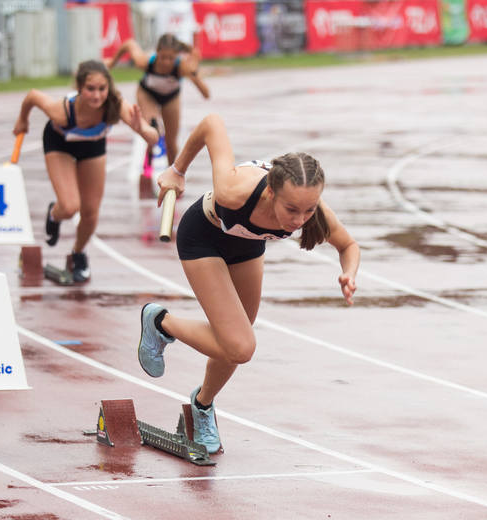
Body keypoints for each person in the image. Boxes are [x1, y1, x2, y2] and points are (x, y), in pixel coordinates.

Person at [137, 114, 360, 453]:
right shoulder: (234, 189)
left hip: (247, 247)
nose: (300, 220)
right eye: (292, 210)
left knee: (235, 340)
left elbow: (349, 246)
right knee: (240, 346)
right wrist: (178, 170)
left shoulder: (312, 210)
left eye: (309, 210)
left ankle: (202, 405)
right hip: (203, 239)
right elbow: (212, 123)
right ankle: (160, 322)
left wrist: (349, 273)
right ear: (270, 192)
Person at [13, 60, 159, 283]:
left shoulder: (114, 104)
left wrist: (142, 129)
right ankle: (55, 214)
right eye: (90, 89)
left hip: (93, 146)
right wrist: (22, 119)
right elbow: (33, 95)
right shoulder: (62, 111)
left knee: (90, 212)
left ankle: (78, 253)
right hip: (60, 143)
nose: (97, 95)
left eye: (102, 89)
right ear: (79, 88)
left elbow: (153, 137)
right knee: (71, 207)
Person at [106, 34, 210, 166]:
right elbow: (129, 44)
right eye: (162, 57)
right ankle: (148, 164)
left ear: (177, 56)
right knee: (153, 127)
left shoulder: (182, 68)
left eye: (171, 58)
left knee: (171, 144)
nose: (166, 62)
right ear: (157, 53)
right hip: (147, 94)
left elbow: (206, 94)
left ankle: (172, 172)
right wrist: (112, 62)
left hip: (171, 97)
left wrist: (195, 74)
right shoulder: (144, 62)